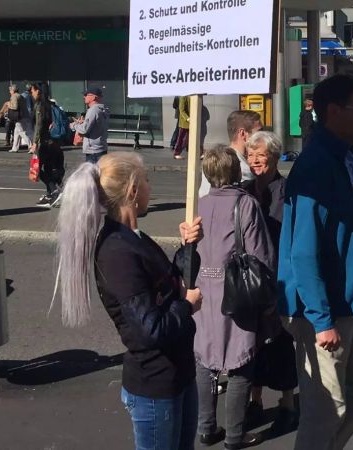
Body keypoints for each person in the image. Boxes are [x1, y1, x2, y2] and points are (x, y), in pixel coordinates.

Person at [54, 152, 204, 450]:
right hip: (155, 387)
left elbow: (166, 286)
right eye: (147, 181)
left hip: (178, 375)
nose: (151, 187)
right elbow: (151, 329)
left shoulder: (133, 237)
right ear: (133, 191)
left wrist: (187, 249)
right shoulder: (116, 253)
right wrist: (187, 305)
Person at [278, 74, 353, 450]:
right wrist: (322, 321)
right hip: (323, 312)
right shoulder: (316, 167)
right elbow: (303, 252)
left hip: (349, 303)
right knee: (325, 410)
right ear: (333, 112)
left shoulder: (347, 158)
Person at [193, 147, 276, 449]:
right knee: (240, 362)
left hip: (204, 290)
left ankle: (205, 427)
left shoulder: (197, 204)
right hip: (236, 291)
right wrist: (269, 300)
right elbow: (261, 255)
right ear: (234, 172)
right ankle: (234, 436)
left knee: (205, 360)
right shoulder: (246, 205)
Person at [241, 131, 299, 434]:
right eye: (250, 155)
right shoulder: (245, 189)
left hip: (278, 277)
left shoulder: (287, 190)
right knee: (253, 343)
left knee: (280, 342)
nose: (254, 161)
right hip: (251, 281)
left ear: (274, 157)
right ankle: (256, 400)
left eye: (259, 155)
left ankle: (289, 404)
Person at [198, 110, 261, 197]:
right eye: (259, 132)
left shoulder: (215, 159)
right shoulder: (240, 167)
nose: (262, 136)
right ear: (243, 133)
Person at [29, 82, 64, 208]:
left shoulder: (40, 105)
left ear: (38, 91)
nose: (31, 93)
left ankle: (54, 190)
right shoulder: (51, 104)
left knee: (37, 169)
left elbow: (39, 125)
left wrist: (34, 142)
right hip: (53, 142)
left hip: (44, 142)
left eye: (32, 91)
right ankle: (51, 195)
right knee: (48, 168)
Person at [71, 86, 110, 164]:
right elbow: (95, 125)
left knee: (92, 174)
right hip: (101, 147)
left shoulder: (93, 110)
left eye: (86, 95)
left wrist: (74, 125)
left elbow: (84, 129)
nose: (84, 97)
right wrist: (84, 122)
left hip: (93, 150)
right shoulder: (102, 109)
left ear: (94, 97)